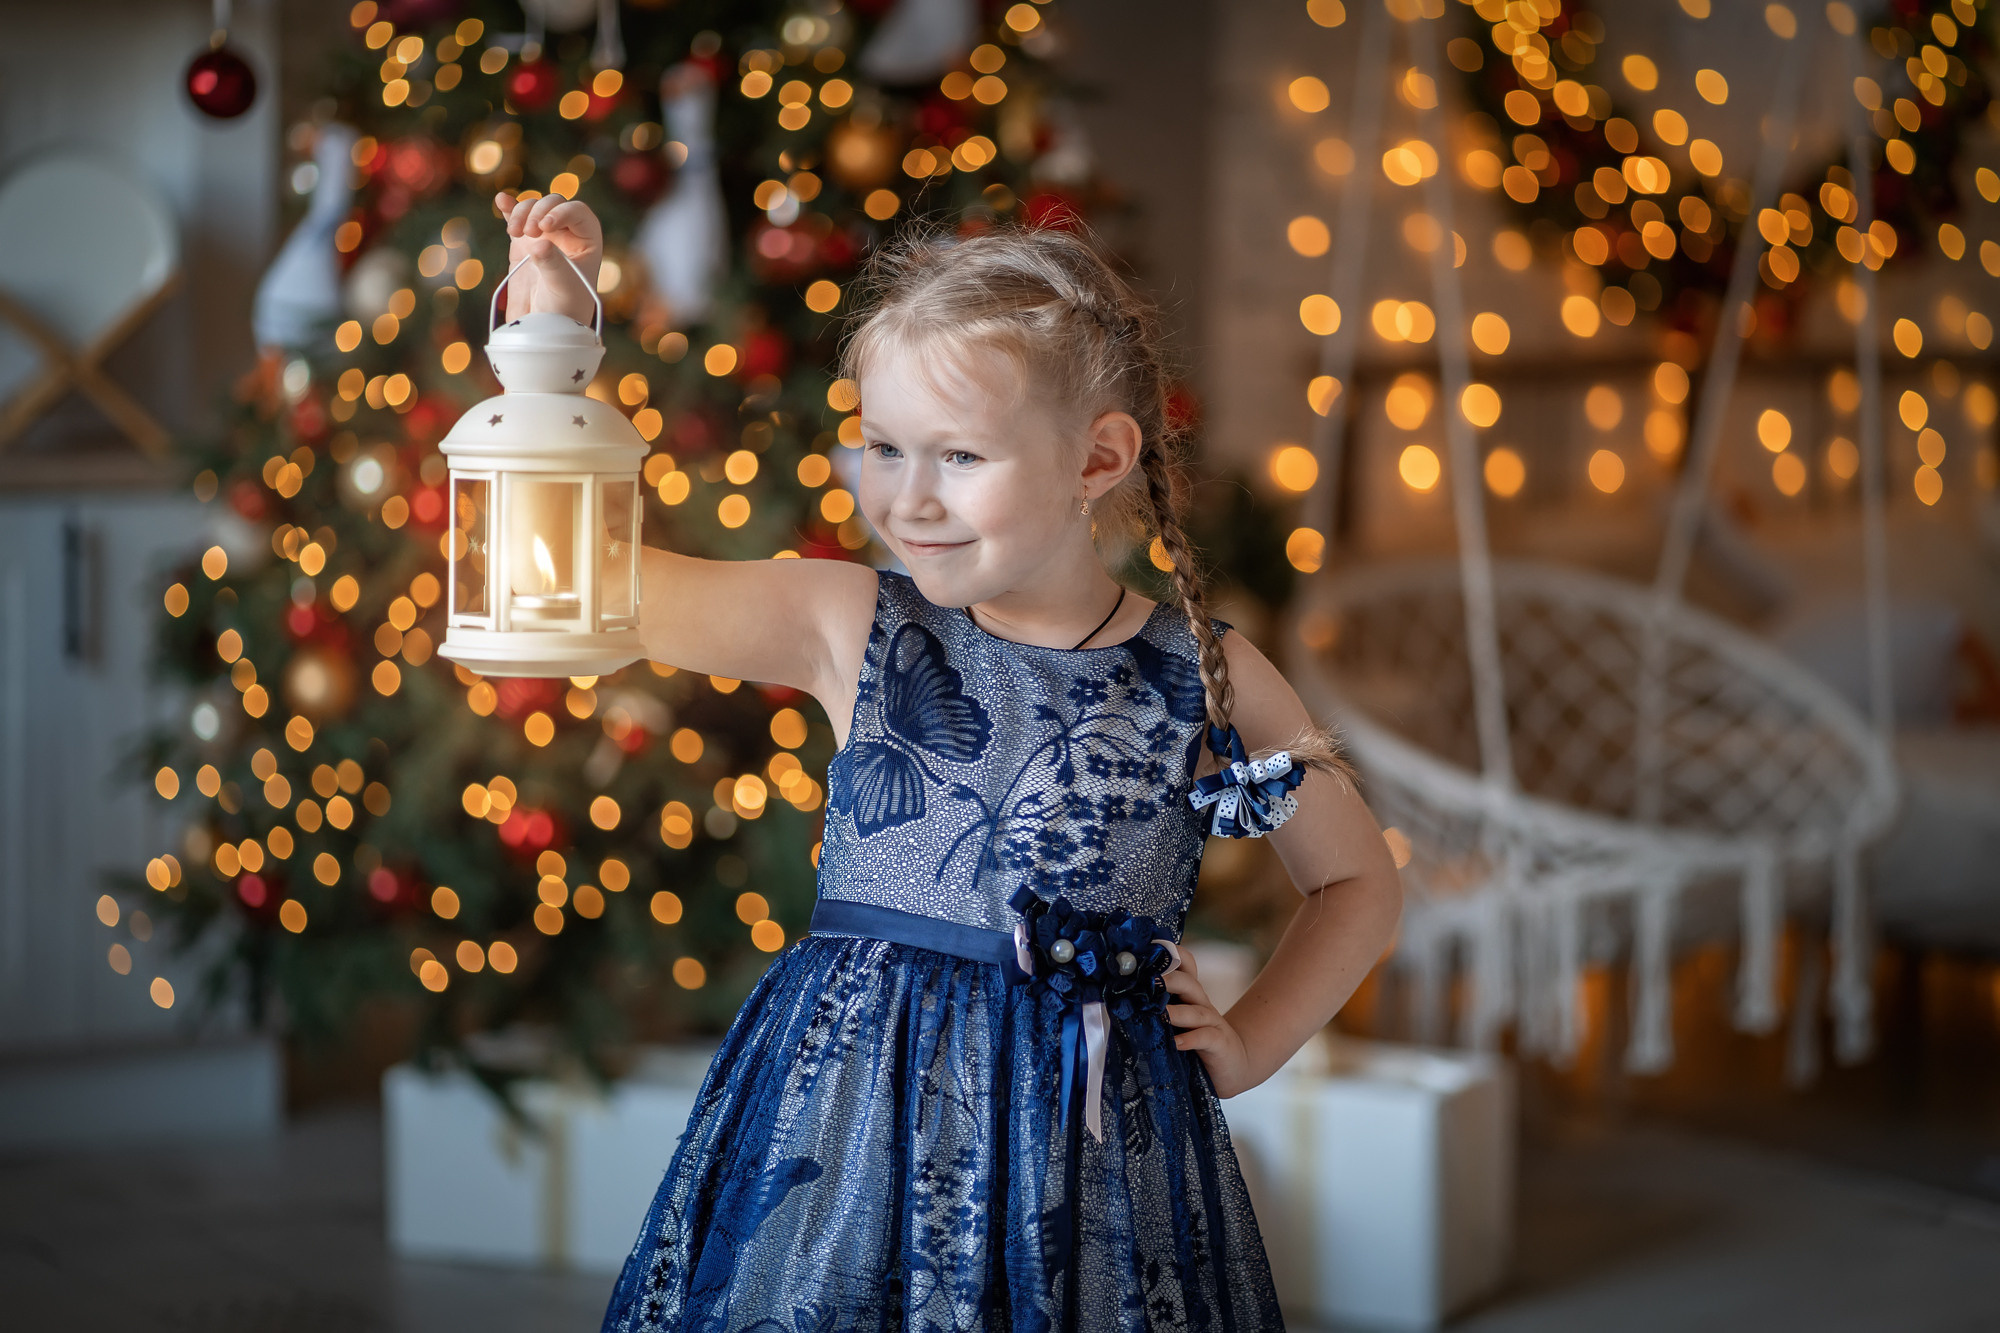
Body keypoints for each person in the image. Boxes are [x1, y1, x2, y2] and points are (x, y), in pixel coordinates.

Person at [492, 191, 1402, 1330]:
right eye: (881, 446)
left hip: (1094, 1150)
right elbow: (601, 584)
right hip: (851, 1126)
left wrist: (1251, 1042)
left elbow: (1357, 881)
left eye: (958, 454)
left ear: (1097, 457)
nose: (906, 498)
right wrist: (549, 344)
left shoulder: (1201, 671)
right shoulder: (851, 622)